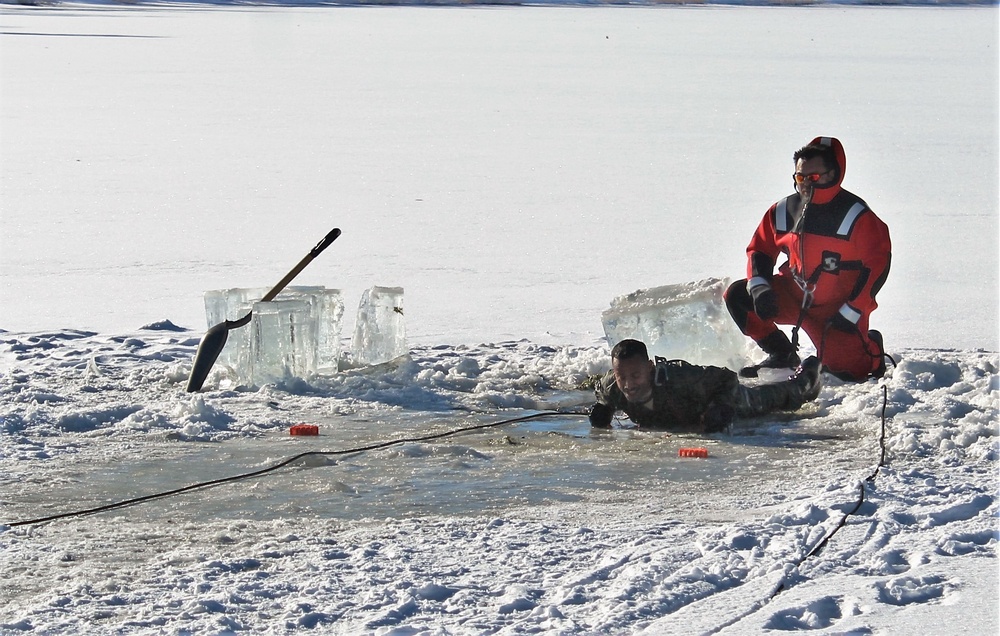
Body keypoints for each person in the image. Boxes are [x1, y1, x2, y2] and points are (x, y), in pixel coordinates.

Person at [724, 136, 891, 381]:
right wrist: (759, 288)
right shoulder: (783, 211)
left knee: (851, 372)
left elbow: (878, 264)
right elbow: (759, 249)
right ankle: (782, 353)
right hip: (793, 294)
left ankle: (872, 347)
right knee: (738, 296)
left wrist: (853, 310)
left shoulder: (857, 215)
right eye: (800, 177)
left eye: (813, 178)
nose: (805, 184)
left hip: (835, 311)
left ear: (833, 174)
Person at [589, 339, 822, 432]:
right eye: (622, 376)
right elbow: (602, 392)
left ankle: (807, 378)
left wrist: (719, 407)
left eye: (635, 375)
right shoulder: (612, 386)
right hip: (685, 418)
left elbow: (726, 378)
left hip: (715, 398)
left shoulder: (678, 376)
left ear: (650, 368)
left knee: (771, 399)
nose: (628, 384)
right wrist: (603, 409)